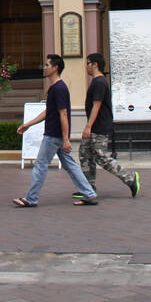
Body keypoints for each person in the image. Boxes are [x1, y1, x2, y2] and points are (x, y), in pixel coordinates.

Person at [13, 54, 98, 207]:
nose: (44, 68)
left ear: (55, 68)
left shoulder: (59, 88)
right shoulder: (55, 88)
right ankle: (89, 194)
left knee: (40, 165)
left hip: (54, 135)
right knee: (70, 165)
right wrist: (29, 124)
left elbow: (63, 114)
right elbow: (49, 111)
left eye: (47, 65)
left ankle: (31, 198)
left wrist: (66, 139)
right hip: (56, 135)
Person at [78, 53, 139, 197]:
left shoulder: (99, 82)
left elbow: (96, 106)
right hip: (95, 126)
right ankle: (88, 188)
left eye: (88, 63)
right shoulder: (96, 81)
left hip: (99, 127)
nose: (86, 66)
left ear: (95, 65)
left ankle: (130, 179)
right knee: (84, 153)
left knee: (101, 157)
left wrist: (88, 126)